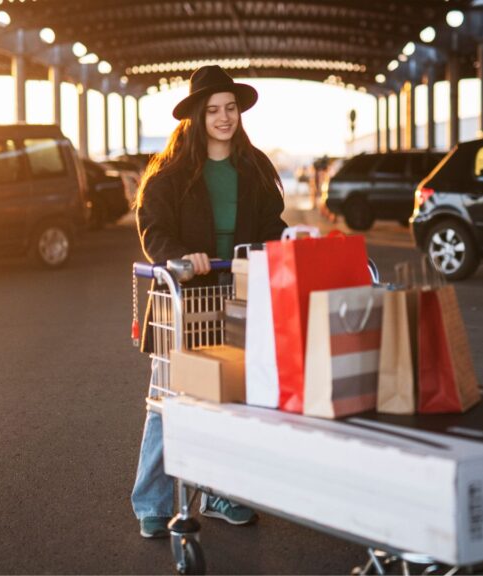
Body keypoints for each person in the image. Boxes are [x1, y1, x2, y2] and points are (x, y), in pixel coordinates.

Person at [131, 65, 288, 539]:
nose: (224, 118)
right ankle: (154, 502)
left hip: (237, 296)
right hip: (185, 300)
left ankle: (222, 494)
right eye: (214, 110)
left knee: (233, 399)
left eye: (231, 108)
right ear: (197, 117)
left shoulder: (254, 167)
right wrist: (181, 257)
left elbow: (270, 226)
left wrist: (292, 242)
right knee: (169, 400)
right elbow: (154, 232)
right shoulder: (170, 174)